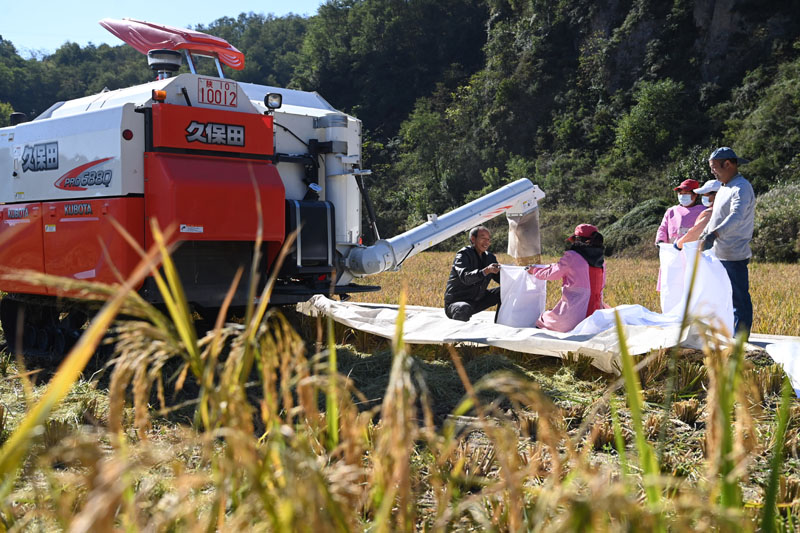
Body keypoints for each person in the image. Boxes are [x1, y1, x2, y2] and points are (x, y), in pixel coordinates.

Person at [700, 147, 755, 337]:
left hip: (734, 254)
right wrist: (704, 235)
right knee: (722, 300)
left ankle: (740, 341)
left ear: (728, 164)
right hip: (718, 254)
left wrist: (714, 235)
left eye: (715, 167)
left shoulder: (741, 187)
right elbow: (717, 216)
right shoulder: (724, 187)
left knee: (738, 300)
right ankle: (726, 336)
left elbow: (737, 216)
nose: (713, 172)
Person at [525, 224, 608, 332]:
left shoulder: (572, 256)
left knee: (543, 321)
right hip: (596, 313)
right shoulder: (602, 261)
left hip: (575, 314)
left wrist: (534, 270)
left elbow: (553, 273)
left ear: (577, 240)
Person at [443, 226, 501, 321]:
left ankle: (502, 324)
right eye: (483, 238)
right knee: (463, 308)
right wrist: (486, 271)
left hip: (478, 299)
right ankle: (460, 334)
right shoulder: (463, 255)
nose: (486, 242)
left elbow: (500, 279)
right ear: (473, 239)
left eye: (488, 239)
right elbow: (466, 278)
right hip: (457, 303)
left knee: (505, 291)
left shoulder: (490, 258)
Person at [656, 178, 707, 246]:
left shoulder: (703, 211)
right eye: (680, 193)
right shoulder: (671, 211)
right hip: (672, 250)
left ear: (695, 195)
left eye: (686, 193)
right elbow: (663, 228)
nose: (682, 196)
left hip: (693, 250)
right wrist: (660, 240)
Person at [675, 179, 721, 249]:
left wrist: (678, 244)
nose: (703, 197)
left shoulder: (710, 213)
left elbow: (695, 233)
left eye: (705, 194)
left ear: (716, 195)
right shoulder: (729, 209)